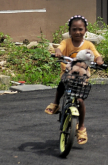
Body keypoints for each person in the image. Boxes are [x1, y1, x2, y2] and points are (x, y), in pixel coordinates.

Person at [44, 15, 103, 145]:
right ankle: (55, 103)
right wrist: (58, 52)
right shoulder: (67, 42)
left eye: (80, 29)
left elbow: (96, 55)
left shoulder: (88, 44)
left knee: (80, 100)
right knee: (61, 85)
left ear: (85, 30)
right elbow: (59, 47)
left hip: (82, 77)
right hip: (67, 74)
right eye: (74, 29)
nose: (77, 32)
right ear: (69, 31)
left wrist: (99, 60)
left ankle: (81, 127)